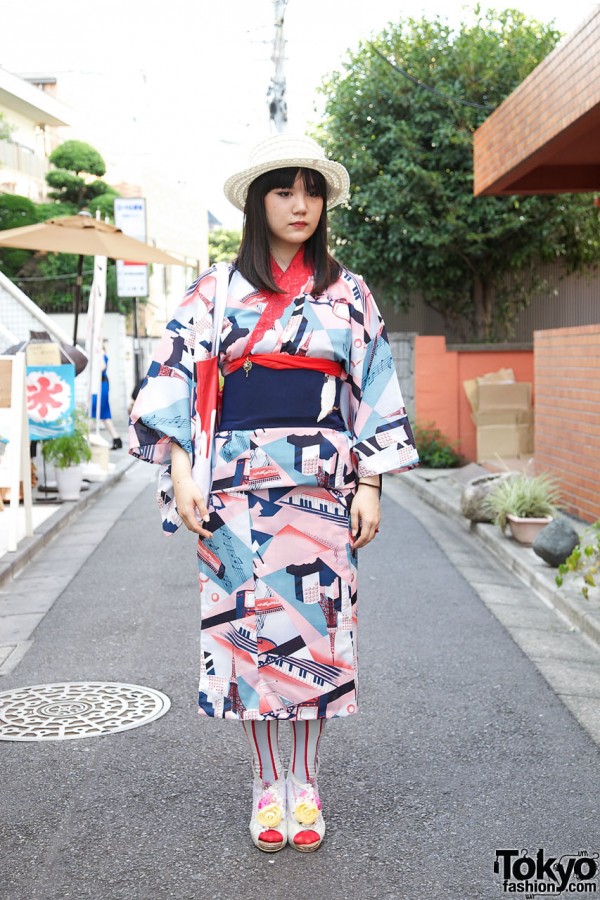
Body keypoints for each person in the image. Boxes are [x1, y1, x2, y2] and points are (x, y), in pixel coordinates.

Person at [129, 133, 419, 853]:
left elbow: (373, 386)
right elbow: (173, 382)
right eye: (285, 191)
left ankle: (307, 787)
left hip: (322, 481)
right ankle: (267, 786)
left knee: (315, 636)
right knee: (246, 640)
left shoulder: (349, 292)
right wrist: (181, 470)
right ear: (258, 202)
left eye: (312, 191)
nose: (301, 205)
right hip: (233, 487)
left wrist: (372, 482)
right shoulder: (214, 290)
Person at [90, 342, 122, 449]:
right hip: (98, 385)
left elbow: (102, 367)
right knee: (103, 414)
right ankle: (116, 439)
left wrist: (99, 354)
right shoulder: (98, 354)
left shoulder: (101, 354)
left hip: (101, 385)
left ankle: (83, 438)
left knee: (93, 411)